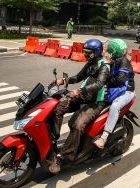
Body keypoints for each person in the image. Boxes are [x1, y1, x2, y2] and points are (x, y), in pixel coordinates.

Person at [49, 39, 110, 174]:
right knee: (59, 107)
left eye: (89, 53)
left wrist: (80, 91)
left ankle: (65, 157)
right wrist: (63, 80)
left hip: (96, 102)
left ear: (97, 52)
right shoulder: (91, 63)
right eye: (86, 52)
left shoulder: (104, 66)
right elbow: (78, 77)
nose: (87, 55)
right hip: (83, 96)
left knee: (77, 125)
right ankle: (54, 138)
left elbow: (99, 84)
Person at [94, 39, 135, 149]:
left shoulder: (124, 62)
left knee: (115, 106)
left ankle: (104, 137)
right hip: (115, 90)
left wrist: (106, 81)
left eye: (109, 49)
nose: (107, 51)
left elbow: (120, 79)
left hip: (127, 92)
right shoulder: (113, 59)